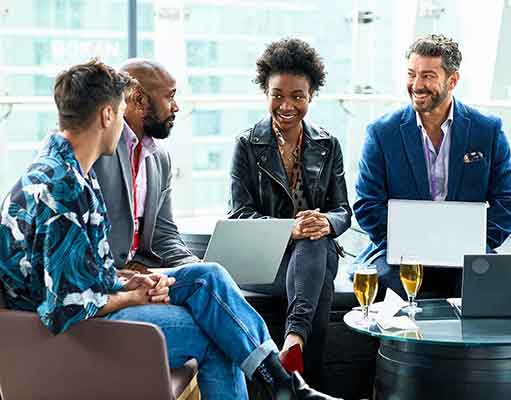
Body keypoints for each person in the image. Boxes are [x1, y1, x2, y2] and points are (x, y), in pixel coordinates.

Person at [0, 59, 338, 400]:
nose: (121, 125)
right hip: (57, 336)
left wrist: (136, 280)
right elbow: (66, 306)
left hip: (80, 313)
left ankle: (283, 385)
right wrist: (134, 295)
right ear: (107, 115)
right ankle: (283, 386)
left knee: (209, 275)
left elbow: (86, 274)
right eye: (119, 112)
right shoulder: (62, 188)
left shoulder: (69, 174)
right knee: (218, 336)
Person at [354, 34, 511, 299]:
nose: (417, 85)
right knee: (393, 291)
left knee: (485, 288)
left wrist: (476, 244)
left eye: (428, 76)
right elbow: (367, 204)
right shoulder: (381, 132)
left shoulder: (486, 129)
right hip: (399, 252)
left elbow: (509, 201)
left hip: (467, 252)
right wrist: (404, 243)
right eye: (412, 74)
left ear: (452, 80)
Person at [228, 38, 351, 384]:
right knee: (319, 270)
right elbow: (239, 215)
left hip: (311, 254)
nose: (287, 105)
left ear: (311, 96)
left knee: (316, 239)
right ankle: (309, 379)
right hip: (266, 261)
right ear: (265, 93)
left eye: (298, 96)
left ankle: (293, 341)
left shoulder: (328, 145)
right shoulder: (247, 145)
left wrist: (324, 221)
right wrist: (289, 229)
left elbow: (343, 211)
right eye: (278, 95)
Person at [93, 58, 198, 273]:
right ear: (139, 100)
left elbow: (164, 235)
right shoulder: (97, 150)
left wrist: (194, 267)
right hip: (108, 280)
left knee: (210, 274)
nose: (176, 107)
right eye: (170, 97)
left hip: (145, 274)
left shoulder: (160, 157)